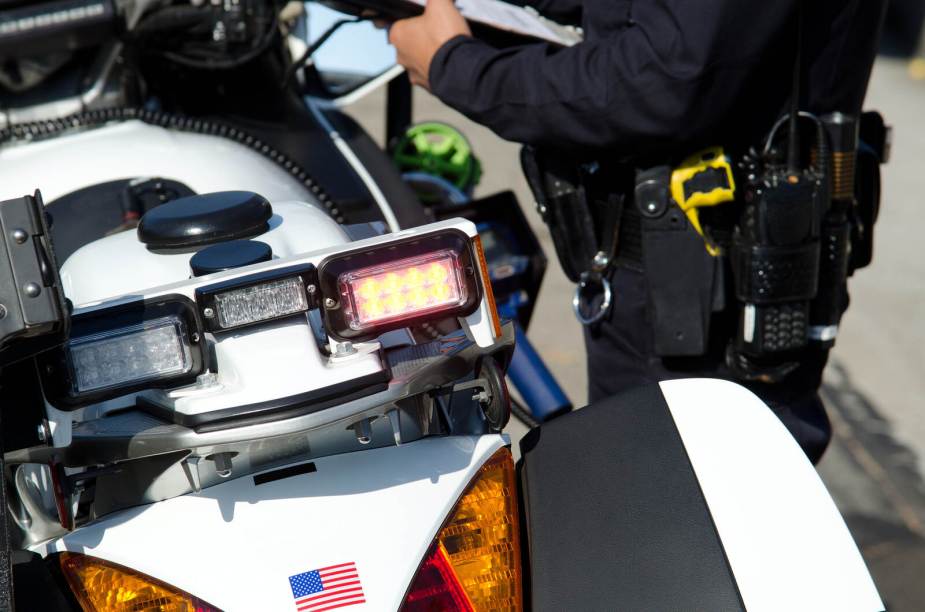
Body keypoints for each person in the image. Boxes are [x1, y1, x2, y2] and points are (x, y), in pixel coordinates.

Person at [387, 0, 887, 463]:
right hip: (680, 291)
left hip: (704, 309)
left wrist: (458, 66)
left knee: (686, 518)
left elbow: (666, 80)